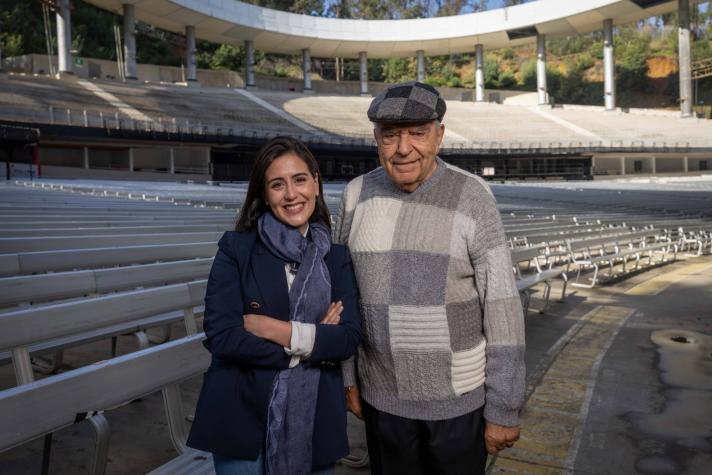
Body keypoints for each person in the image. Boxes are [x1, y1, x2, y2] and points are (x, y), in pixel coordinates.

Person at [335, 81, 525, 474]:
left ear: (439, 135)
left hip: (459, 406)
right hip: (382, 400)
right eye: (390, 136)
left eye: (418, 133)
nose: (403, 148)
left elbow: (502, 307)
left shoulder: (473, 195)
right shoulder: (355, 195)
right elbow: (343, 296)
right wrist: (348, 377)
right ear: (376, 139)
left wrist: (503, 406)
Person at [187, 136, 361, 475]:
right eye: (277, 185)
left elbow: (347, 338)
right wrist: (311, 343)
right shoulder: (236, 249)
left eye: (299, 180)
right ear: (264, 194)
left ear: (316, 182)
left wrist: (277, 330)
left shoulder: (336, 257)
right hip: (242, 416)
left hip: (316, 422)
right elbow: (223, 337)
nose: (291, 194)